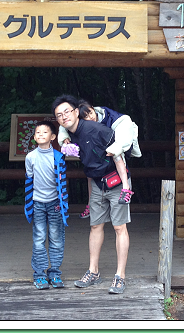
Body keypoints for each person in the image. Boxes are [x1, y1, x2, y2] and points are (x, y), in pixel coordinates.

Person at [52, 94, 131, 294]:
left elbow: (119, 154)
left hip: (115, 181)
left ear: (76, 112)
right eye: (59, 115)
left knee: (119, 227)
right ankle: (93, 271)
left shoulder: (97, 129)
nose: (64, 117)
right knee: (95, 225)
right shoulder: (71, 135)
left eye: (67, 112)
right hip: (96, 183)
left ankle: (120, 276)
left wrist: (125, 187)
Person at [58, 100, 141, 218]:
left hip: (119, 141)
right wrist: (64, 137)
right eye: (85, 117)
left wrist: (117, 147)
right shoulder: (84, 124)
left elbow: (125, 129)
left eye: (90, 113)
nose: (90, 117)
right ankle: (89, 205)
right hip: (99, 150)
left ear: (93, 109)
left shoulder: (113, 118)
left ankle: (126, 187)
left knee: (117, 156)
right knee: (89, 173)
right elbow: (64, 126)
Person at [23, 121, 69, 290]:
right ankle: (40, 275)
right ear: (34, 137)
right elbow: (29, 179)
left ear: (53, 137)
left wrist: (63, 204)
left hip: (55, 203)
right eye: (38, 133)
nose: (41, 135)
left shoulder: (58, 157)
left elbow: (62, 183)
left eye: (45, 132)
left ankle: (55, 273)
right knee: (39, 238)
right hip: (37, 203)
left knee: (56, 238)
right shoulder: (30, 157)